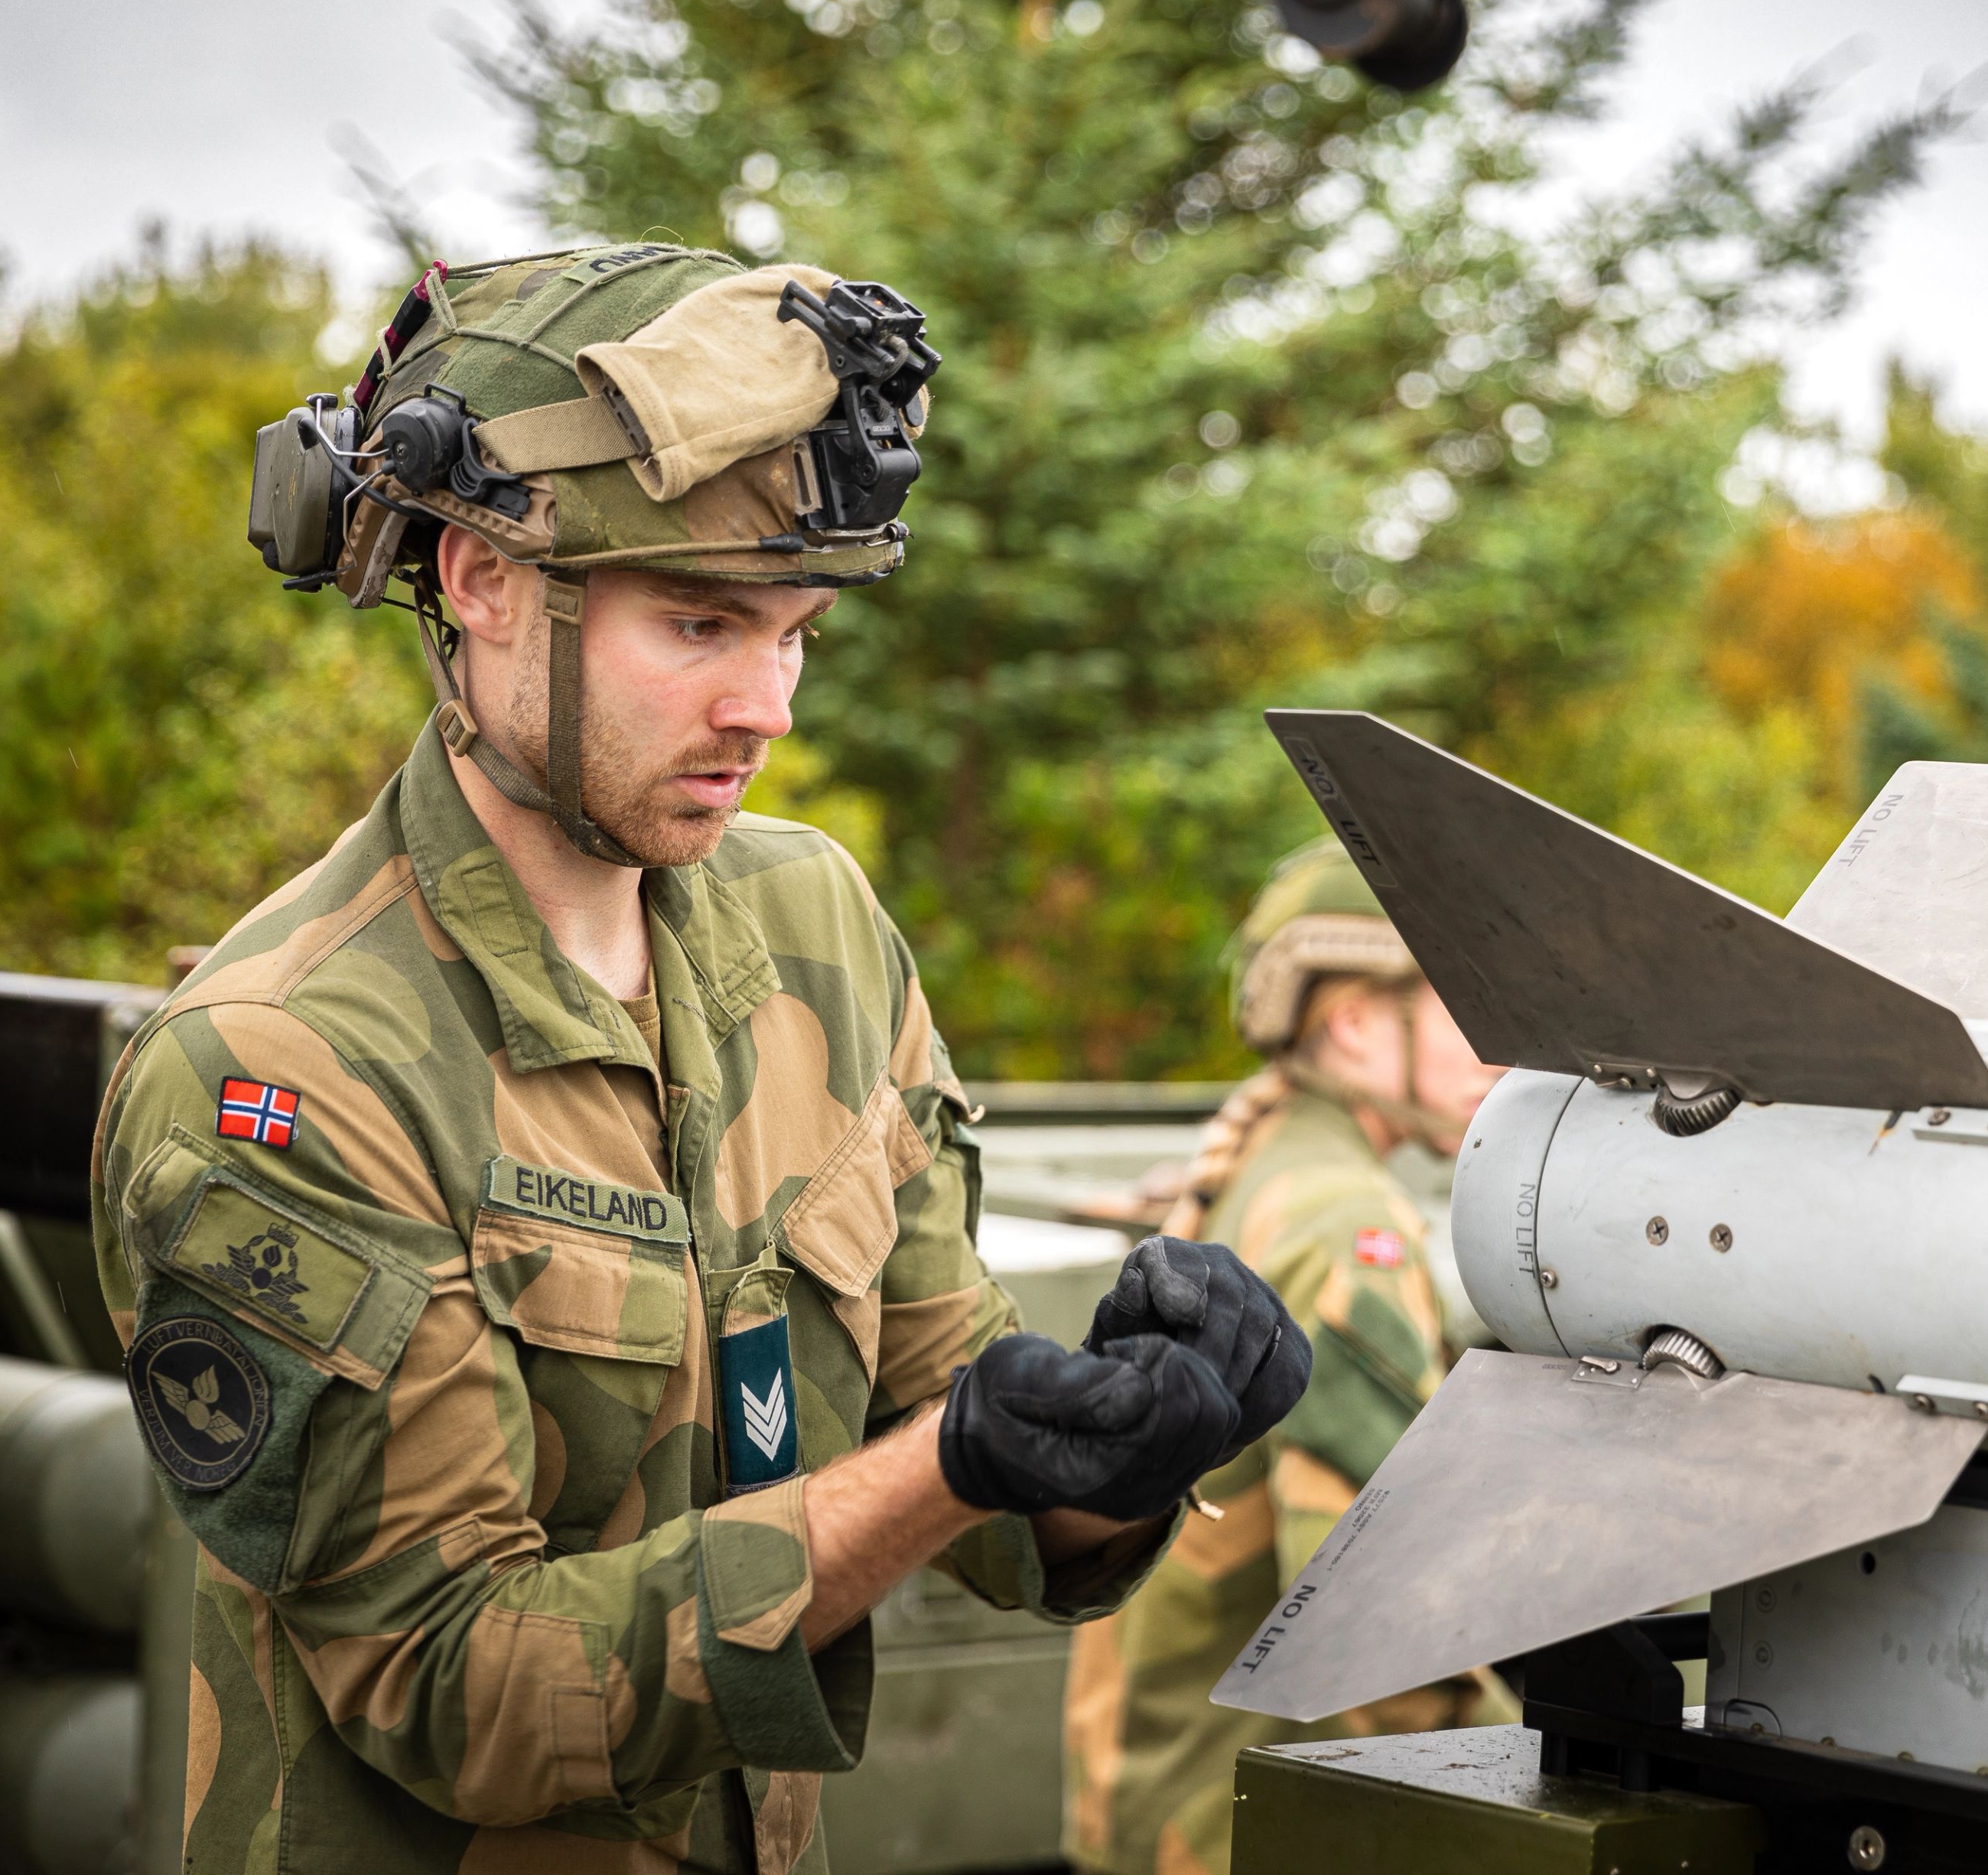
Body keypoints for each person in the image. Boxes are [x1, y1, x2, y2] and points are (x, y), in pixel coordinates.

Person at [89, 245, 1303, 1875]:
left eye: (797, 629)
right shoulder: (286, 1073)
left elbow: (968, 1448)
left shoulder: (815, 927)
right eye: (699, 621)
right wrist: (952, 1465)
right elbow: (457, 1685)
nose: (767, 705)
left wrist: (1125, 1448)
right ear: (477, 578)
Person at [1062, 837, 1511, 1875]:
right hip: (1245, 1823)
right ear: (1354, 1025)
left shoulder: (1264, 1172)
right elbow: (1373, 1621)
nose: (1504, 1049)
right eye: (1469, 1011)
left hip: (1168, 1795)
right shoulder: (1343, 1223)